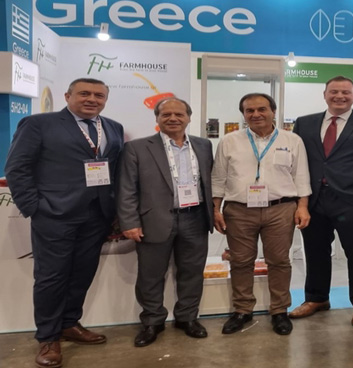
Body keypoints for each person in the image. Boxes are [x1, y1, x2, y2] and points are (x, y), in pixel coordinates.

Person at [5, 78, 124, 368]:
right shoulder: (38, 124)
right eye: (84, 93)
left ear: (106, 100)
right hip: (54, 215)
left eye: (99, 95)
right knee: (51, 277)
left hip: (97, 215)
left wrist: (115, 210)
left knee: (82, 273)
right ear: (68, 95)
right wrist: (35, 208)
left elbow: (116, 170)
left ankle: (69, 323)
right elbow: (17, 168)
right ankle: (48, 337)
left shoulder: (113, 127)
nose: (92, 99)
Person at [289, 76, 353, 328]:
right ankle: (317, 298)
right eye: (334, 91)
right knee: (315, 252)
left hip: (352, 200)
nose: (339, 96)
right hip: (313, 199)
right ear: (324, 94)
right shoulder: (304, 123)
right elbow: (296, 160)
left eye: (346, 92)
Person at [117, 98, 214, 347]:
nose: (173, 118)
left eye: (179, 114)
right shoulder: (137, 147)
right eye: (166, 114)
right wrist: (129, 222)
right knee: (150, 275)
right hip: (154, 219)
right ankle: (152, 321)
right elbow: (126, 188)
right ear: (157, 119)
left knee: (192, 272)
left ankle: (188, 318)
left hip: (195, 217)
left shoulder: (203, 145)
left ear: (188, 117)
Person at [212, 93, 311, 336]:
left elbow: (301, 176)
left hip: (281, 209)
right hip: (239, 210)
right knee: (240, 261)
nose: (256, 114)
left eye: (262, 109)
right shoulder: (229, 141)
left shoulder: (292, 140)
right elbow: (219, 177)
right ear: (243, 114)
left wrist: (302, 206)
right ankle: (242, 310)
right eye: (249, 110)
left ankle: (279, 310)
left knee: (279, 261)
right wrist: (215, 209)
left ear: (273, 111)